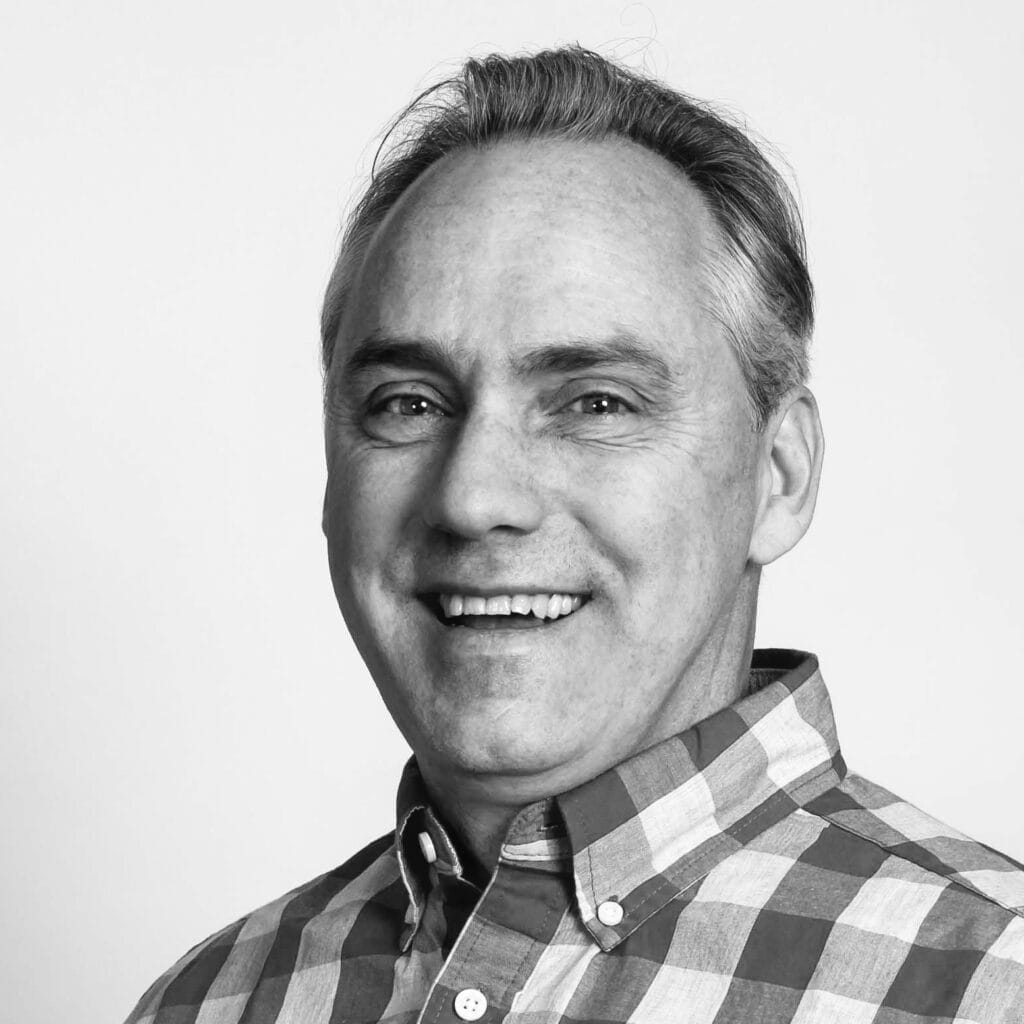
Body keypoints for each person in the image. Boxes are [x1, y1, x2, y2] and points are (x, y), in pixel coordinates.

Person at [124, 46, 1024, 1023]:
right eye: (408, 403)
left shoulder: (989, 984)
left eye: (596, 401)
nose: (472, 497)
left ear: (780, 474)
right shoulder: (207, 1002)